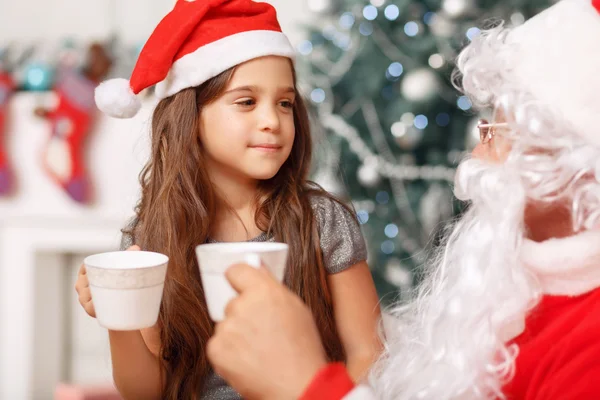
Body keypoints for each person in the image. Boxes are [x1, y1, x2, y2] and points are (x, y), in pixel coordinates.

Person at [206, 0, 600, 398]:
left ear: (574, 159)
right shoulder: (516, 291)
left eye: (496, 132)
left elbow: (365, 352)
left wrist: (305, 385)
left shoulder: (588, 354)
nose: (476, 156)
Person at [74, 0, 382, 399]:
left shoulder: (321, 221)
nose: (272, 120)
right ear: (191, 115)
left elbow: (369, 353)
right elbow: (147, 391)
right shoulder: (150, 238)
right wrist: (120, 319)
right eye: (247, 102)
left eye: (285, 103)